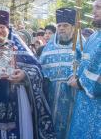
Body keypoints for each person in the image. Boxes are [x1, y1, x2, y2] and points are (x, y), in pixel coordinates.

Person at [0, 10, 55, 139]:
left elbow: (37, 71)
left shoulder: (21, 49)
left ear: (8, 29)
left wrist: (24, 75)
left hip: (18, 100)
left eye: (2, 27)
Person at [39, 8, 81, 139]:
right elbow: (39, 73)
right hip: (50, 103)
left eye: (66, 25)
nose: (61, 28)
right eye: (59, 26)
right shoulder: (48, 49)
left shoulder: (82, 48)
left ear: (73, 27)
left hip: (74, 103)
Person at [67, 0, 101, 139]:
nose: (94, 11)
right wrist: (74, 74)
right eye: (94, 7)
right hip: (83, 106)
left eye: (98, 7)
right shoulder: (94, 37)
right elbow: (84, 64)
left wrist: (80, 83)